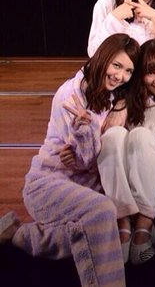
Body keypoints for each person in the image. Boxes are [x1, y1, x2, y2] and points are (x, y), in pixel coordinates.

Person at [0, 34, 139, 286]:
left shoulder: (112, 95)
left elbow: (88, 159)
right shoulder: (71, 96)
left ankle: (19, 234)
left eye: (128, 71)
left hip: (85, 184)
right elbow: (84, 160)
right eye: (116, 65)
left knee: (95, 229)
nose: (120, 76)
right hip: (48, 183)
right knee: (103, 212)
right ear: (102, 58)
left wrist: (122, 107)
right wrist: (88, 130)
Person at [97, 38, 155, 265]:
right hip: (135, 186)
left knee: (140, 135)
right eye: (150, 73)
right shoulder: (130, 99)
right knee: (113, 135)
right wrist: (123, 104)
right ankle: (123, 223)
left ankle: (143, 227)